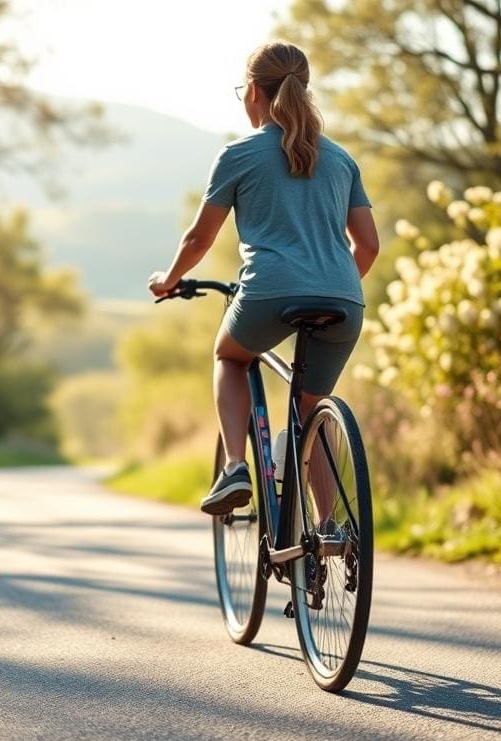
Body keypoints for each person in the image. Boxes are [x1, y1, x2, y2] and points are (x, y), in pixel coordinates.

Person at [147, 41, 380, 515]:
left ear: (252, 91)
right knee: (311, 411)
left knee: (230, 358)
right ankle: (330, 530)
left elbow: (198, 240)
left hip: (268, 292)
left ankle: (235, 467)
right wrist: (331, 282)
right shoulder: (341, 159)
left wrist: (168, 280)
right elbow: (369, 246)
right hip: (343, 298)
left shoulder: (239, 155)